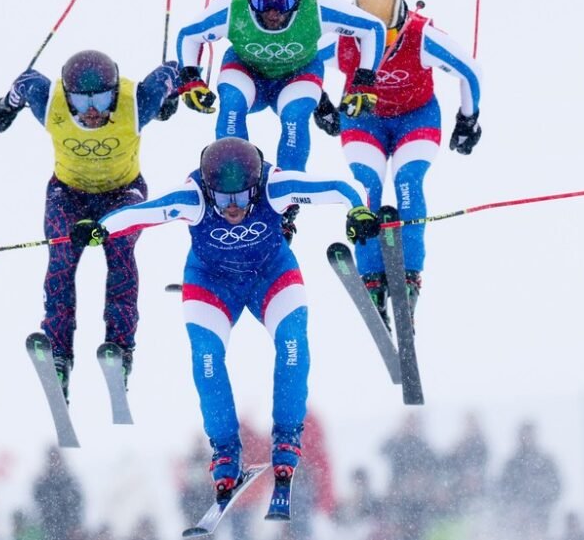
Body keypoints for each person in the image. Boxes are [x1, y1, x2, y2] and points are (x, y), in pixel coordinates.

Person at [71, 137, 379, 510]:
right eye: (222, 199)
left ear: (255, 186)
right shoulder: (193, 197)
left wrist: (358, 211)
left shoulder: (275, 186)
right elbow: (144, 212)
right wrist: (100, 228)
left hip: (271, 274)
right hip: (212, 282)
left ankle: (287, 436)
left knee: (293, 345)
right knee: (207, 358)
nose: (231, 207)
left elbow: (338, 188)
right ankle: (225, 451)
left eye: (240, 197)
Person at [0, 50, 179, 397]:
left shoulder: (137, 103)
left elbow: (171, 71)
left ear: (115, 93)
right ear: (67, 96)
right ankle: (59, 352)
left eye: (103, 100)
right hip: (68, 194)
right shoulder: (50, 103)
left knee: (120, 256)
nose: (92, 110)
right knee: (61, 260)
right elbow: (25, 83)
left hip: (123, 193)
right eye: (81, 100)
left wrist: (172, 94)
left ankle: (121, 346)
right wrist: (3, 108)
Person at [173, 0, 385, 243]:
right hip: (248, 72)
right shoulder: (231, 4)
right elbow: (189, 35)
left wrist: (364, 80)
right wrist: (190, 78)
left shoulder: (319, 3)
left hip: (297, 74)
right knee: (232, 106)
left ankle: (285, 208)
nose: (273, 13)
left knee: (295, 118)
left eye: (284, 2)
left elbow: (373, 28)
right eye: (260, 2)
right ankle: (232, 188)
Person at [332, 0, 482, 326]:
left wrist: (467, 118)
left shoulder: (421, 36)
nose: (381, 47)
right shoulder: (340, 34)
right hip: (364, 121)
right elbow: (309, 61)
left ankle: (410, 275)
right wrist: (320, 102)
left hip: (415, 118)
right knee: (366, 185)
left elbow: (470, 71)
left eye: (389, 37)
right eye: (370, 37)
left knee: (408, 181)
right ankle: (371, 277)